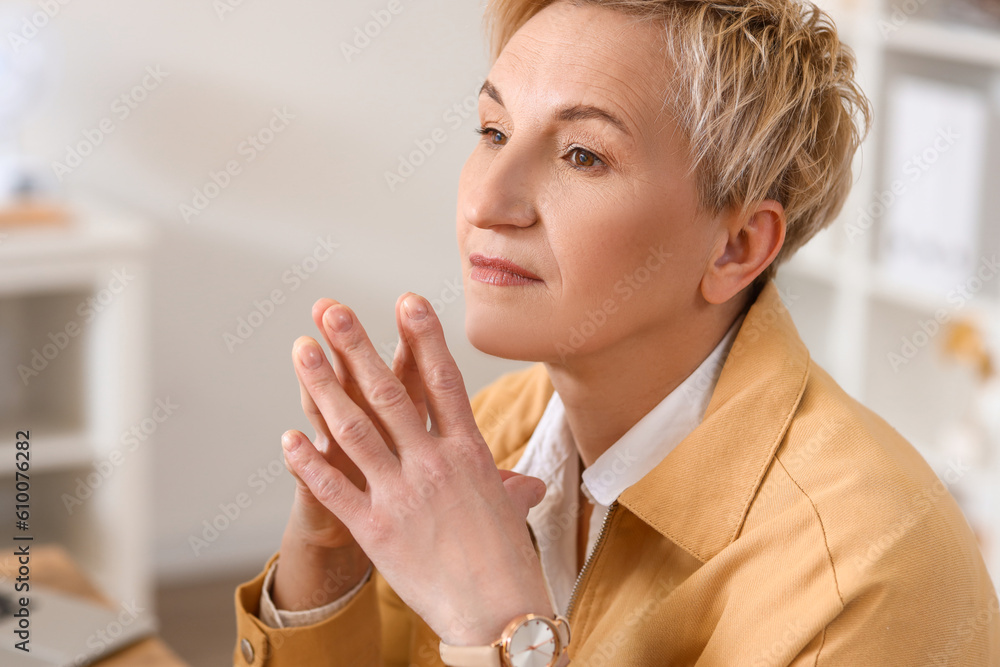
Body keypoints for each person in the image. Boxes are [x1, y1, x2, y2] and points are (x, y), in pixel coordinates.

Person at [233, 0, 1000, 664]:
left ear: (735, 247)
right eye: (493, 131)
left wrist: (503, 634)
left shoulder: (864, 565)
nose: (488, 202)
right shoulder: (498, 434)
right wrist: (328, 559)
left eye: (581, 154)